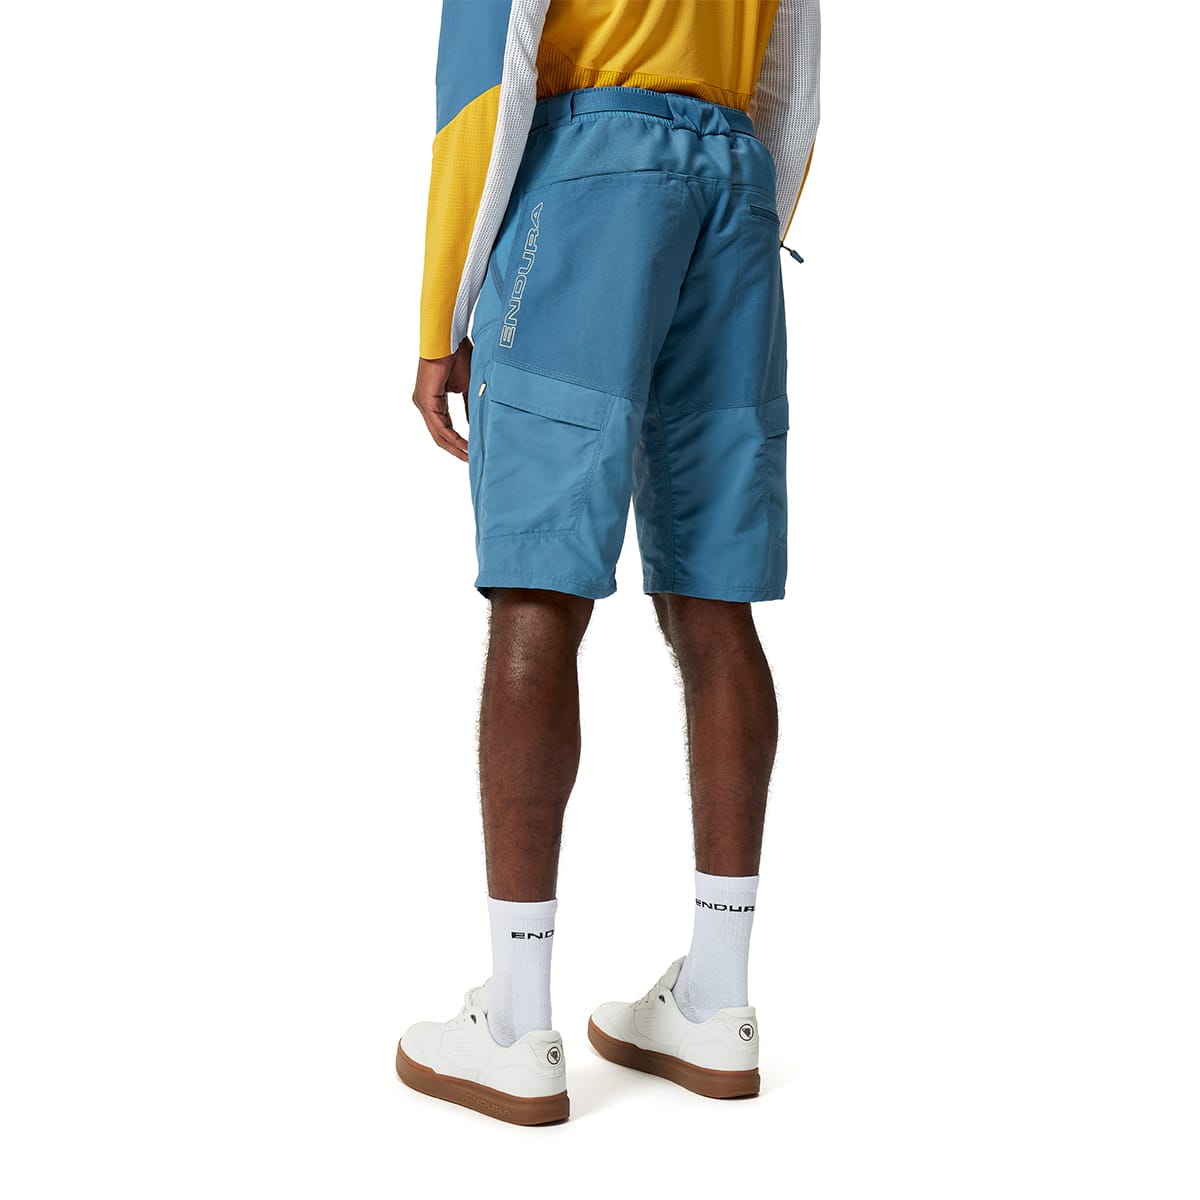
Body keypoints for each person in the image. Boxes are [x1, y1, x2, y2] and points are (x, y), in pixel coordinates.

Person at [399, 0, 820, 1125]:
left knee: (539, 578)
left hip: (591, 173)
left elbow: (488, 75)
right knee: (714, 595)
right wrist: (747, 213)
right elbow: (792, 66)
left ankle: (514, 1026)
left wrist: (442, 312)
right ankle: (717, 1005)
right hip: (735, 186)